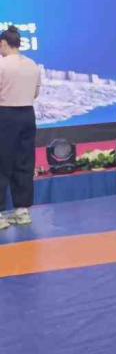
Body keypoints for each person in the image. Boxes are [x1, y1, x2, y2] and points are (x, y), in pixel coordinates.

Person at [0, 25, 41, 229]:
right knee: (24, 162)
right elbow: (35, 94)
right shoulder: (32, 64)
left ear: (3, 43)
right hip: (27, 115)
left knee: (1, 163)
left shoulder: (2, 65)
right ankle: (22, 211)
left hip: (5, 115)